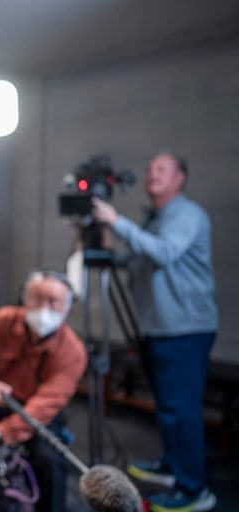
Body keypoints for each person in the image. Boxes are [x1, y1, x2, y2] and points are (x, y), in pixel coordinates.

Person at [93, 152, 218, 512]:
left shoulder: (186, 215)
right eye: (149, 168)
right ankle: (172, 465)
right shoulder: (156, 219)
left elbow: (164, 253)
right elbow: (138, 259)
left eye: (161, 169)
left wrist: (116, 220)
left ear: (180, 177)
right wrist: (105, 246)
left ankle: (194, 490)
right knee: (167, 408)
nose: (151, 174)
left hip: (185, 330)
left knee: (182, 411)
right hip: (160, 329)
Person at [0, 270, 87, 512]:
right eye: (37, 299)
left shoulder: (73, 351)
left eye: (54, 302)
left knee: (51, 461)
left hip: (37, 414)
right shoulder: (3, 320)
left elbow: (45, 404)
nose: (44, 308)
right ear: (25, 298)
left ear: (66, 308)